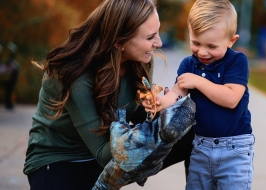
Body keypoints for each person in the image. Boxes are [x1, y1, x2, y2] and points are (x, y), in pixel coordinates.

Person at [23, 0, 194, 189]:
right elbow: (104, 154)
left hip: (107, 158)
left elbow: (139, 116)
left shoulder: (140, 61)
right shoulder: (75, 75)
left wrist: (166, 109)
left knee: (195, 131)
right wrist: (165, 127)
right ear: (119, 41)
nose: (159, 42)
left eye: (158, 32)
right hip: (60, 160)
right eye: (150, 37)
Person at [144, 0, 255, 189]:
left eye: (211, 46)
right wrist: (160, 102)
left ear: (231, 40)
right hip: (201, 147)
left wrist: (198, 81)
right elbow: (178, 92)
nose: (202, 52)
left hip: (234, 149)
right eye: (196, 43)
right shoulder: (189, 64)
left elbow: (231, 99)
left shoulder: (236, 61)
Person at [0, 42, 20, 110]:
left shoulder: (11, 64)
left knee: (9, 88)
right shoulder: (8, 63)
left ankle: (8, 103)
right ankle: (8, 103)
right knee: (9, 88)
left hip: (9, 79)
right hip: (6, 77)